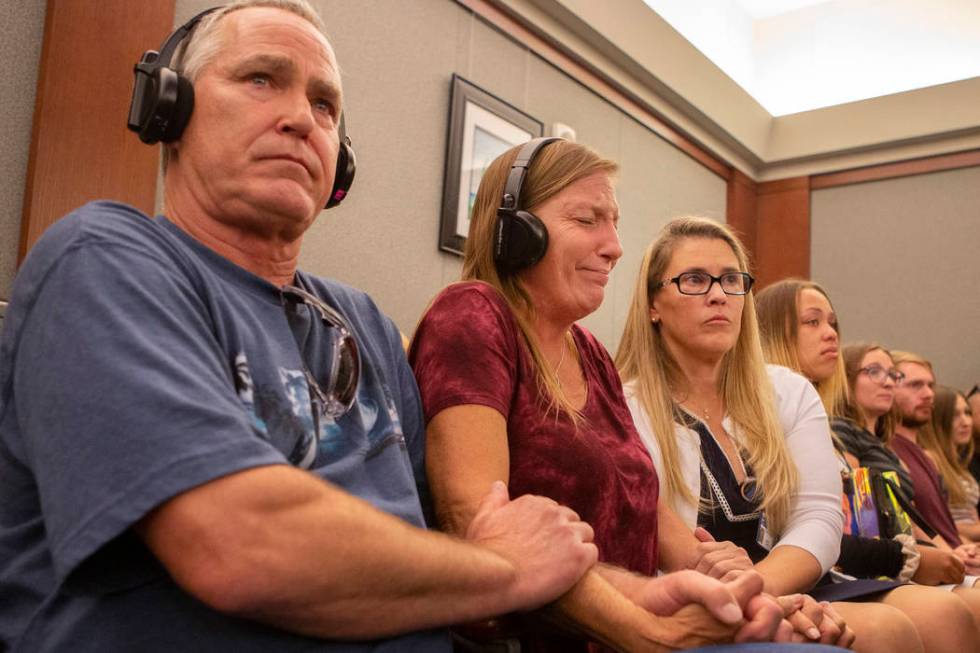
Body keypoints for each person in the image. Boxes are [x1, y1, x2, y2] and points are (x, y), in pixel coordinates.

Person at [0, 3, 605, 650]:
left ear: (339, 160)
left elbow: (463, 540)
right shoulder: (106, 259)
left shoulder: (364, 323)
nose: (299, 118)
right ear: (169, 109)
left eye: (324, 104)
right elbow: (239, 544)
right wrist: (509, 571)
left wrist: (637, 597)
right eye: (261, 78)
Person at [410, 140, 828, 652]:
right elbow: (477, 524)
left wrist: (746, 596)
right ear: (517, 231)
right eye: (587, 220)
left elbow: (652, 513)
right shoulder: (473, 314)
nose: (615, 246)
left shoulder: (588, 352)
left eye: (614, 223)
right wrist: (649, 631)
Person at [613, 217, 944, 652]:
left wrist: (761, 588)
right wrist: (749, 601)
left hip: (791, 580)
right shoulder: (624, 402)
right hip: (689, 598)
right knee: (886, 630)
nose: (718, 294)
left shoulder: (786, 390)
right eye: (694, 280)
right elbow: (649, 539)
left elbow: (819, 519)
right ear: (653, 303)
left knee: (946, 614)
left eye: (732, 280)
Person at [755, 280, 980, 652]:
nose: (830, 334)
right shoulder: (775, 419)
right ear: (772, 331)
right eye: (812, 322)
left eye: (833, 324)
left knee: (958, 608)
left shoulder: (834, 433)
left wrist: (939, 549)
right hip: (805, 568)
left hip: (843, 562)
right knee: (944, 613)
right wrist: (908, 557)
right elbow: (809, 528)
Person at [921, 386, 980, 541]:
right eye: (955, 415)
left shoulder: (958, 463)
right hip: (954, 547)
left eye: (967, 413)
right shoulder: (930, 460)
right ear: (938, 420)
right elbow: (937, 523)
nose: (966, 422)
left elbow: (971, 516)